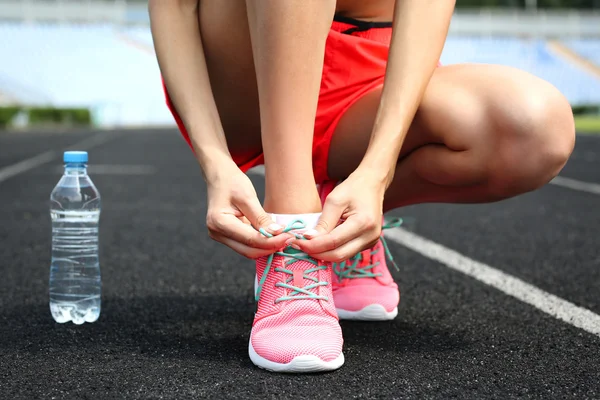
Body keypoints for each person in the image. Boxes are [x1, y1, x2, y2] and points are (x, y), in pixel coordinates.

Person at [149, 0, 575, 373]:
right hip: (245, 73)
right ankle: (292, 234)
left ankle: (338, 221)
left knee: (533, 129)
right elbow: (173, 5)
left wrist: (376, 172)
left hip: (366, 79)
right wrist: (215, 161)